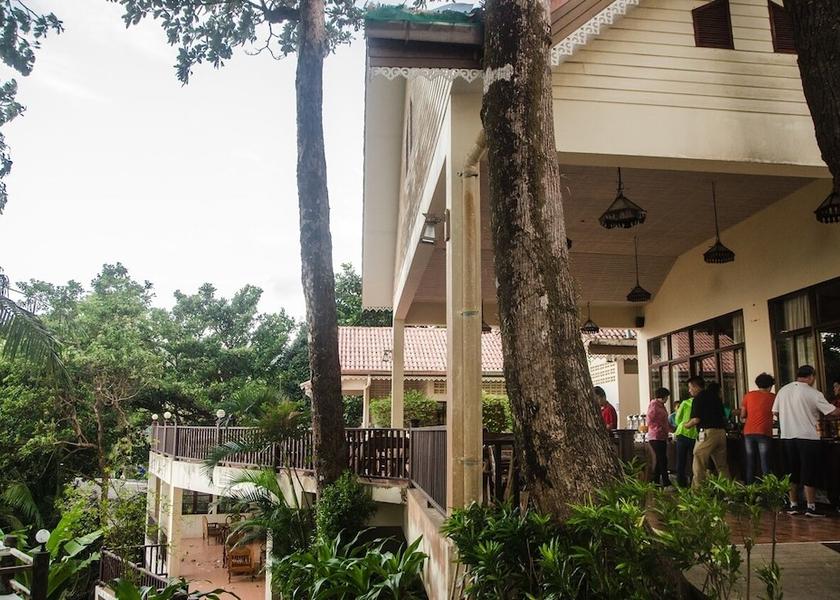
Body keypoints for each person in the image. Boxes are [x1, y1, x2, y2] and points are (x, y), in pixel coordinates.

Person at [773, 365, 840, 517]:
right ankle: (811, 507)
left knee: (792, 472)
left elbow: (775, 412)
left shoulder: (783, 391)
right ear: (811, 377)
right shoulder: (813, 393)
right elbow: (832, 412)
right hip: (808, 436)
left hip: (787, 436)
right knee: (809, 471)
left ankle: (793, 504)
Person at [684, 377, 730, 487]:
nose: (689, 391)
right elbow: (724, 416)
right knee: (722, 465)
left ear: (696, 387)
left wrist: (686, 425)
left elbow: (696, 419)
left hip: (707, 433)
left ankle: (698, 491)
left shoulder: (698, 399)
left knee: (699, 459)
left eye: (690, 388)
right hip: (721, 433)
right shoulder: (715, 397)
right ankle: (728, 491)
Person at [741, 372, 776, 483]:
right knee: (765, 462)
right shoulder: (773, 397)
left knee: (750, 462)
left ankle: (750, 490)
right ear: (770, 386)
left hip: (748, 432)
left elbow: (742, 415)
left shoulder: (748, 395)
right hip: (764, 432)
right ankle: (768, 490)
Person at [646, 387, 672, 486]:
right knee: (662, 459)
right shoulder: (654, 406)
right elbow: (650, 421)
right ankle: (666, 482)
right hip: (656, 436)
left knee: (660, 459)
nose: (667, 399)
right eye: (667, 397)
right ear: (663, 396)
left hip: (662, 436)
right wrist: (659, 427)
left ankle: (655, 481)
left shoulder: (661, 406)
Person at [673, 394, 697, 487]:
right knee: (693, 461)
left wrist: (682, 423)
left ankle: (681, 484)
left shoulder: (685, 403)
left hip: (682, 433)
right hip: (694, 435)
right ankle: (693, 482)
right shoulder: (699, 403)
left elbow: (677, 419)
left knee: (681, 460)